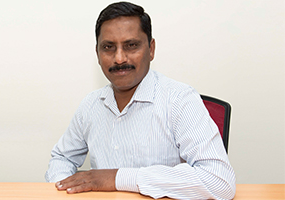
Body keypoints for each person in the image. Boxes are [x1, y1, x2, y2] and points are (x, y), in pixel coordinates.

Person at [45, 2, 236, 199]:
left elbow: (219, 181)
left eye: (131, 45)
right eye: (108, 47)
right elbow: (62, 157)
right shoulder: (90, 105)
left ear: (151, 49)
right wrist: (63, 187)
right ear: (97, 54)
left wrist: (117, 178)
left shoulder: (180, 100)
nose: (119, 58)